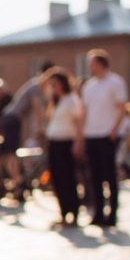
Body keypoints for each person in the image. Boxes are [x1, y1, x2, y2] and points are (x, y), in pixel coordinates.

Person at [79, 48, 128, 227]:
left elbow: (122, 107)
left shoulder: (115, 82)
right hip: (91, 134)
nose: (89, 67)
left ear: (100, 63)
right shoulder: (89, 86)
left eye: (91, 63)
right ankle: (98, 213)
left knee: (109, 175)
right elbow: (85, 112)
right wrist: (83, 134)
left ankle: (112, 214)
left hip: (108, 135)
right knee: (95, 176)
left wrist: (114, 129)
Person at [1, 62, 52, 197]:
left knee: (14, 152)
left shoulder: (38, 88)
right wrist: (41, 128)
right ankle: (17, 180)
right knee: (12, 153)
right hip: (11, 119)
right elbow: (38, 110)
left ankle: (17, 179)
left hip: (14, 120)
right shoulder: (35, 87)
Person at [44, 67, 83, 229]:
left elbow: (79, 123)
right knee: (57, 179)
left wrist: (78, 143)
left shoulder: (71, 100)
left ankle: (73, 212)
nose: (54, 87)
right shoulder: (56, 102)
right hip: (54, 143)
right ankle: (63, 211)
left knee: (68, 178)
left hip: (67, 143)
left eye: (56, 83)